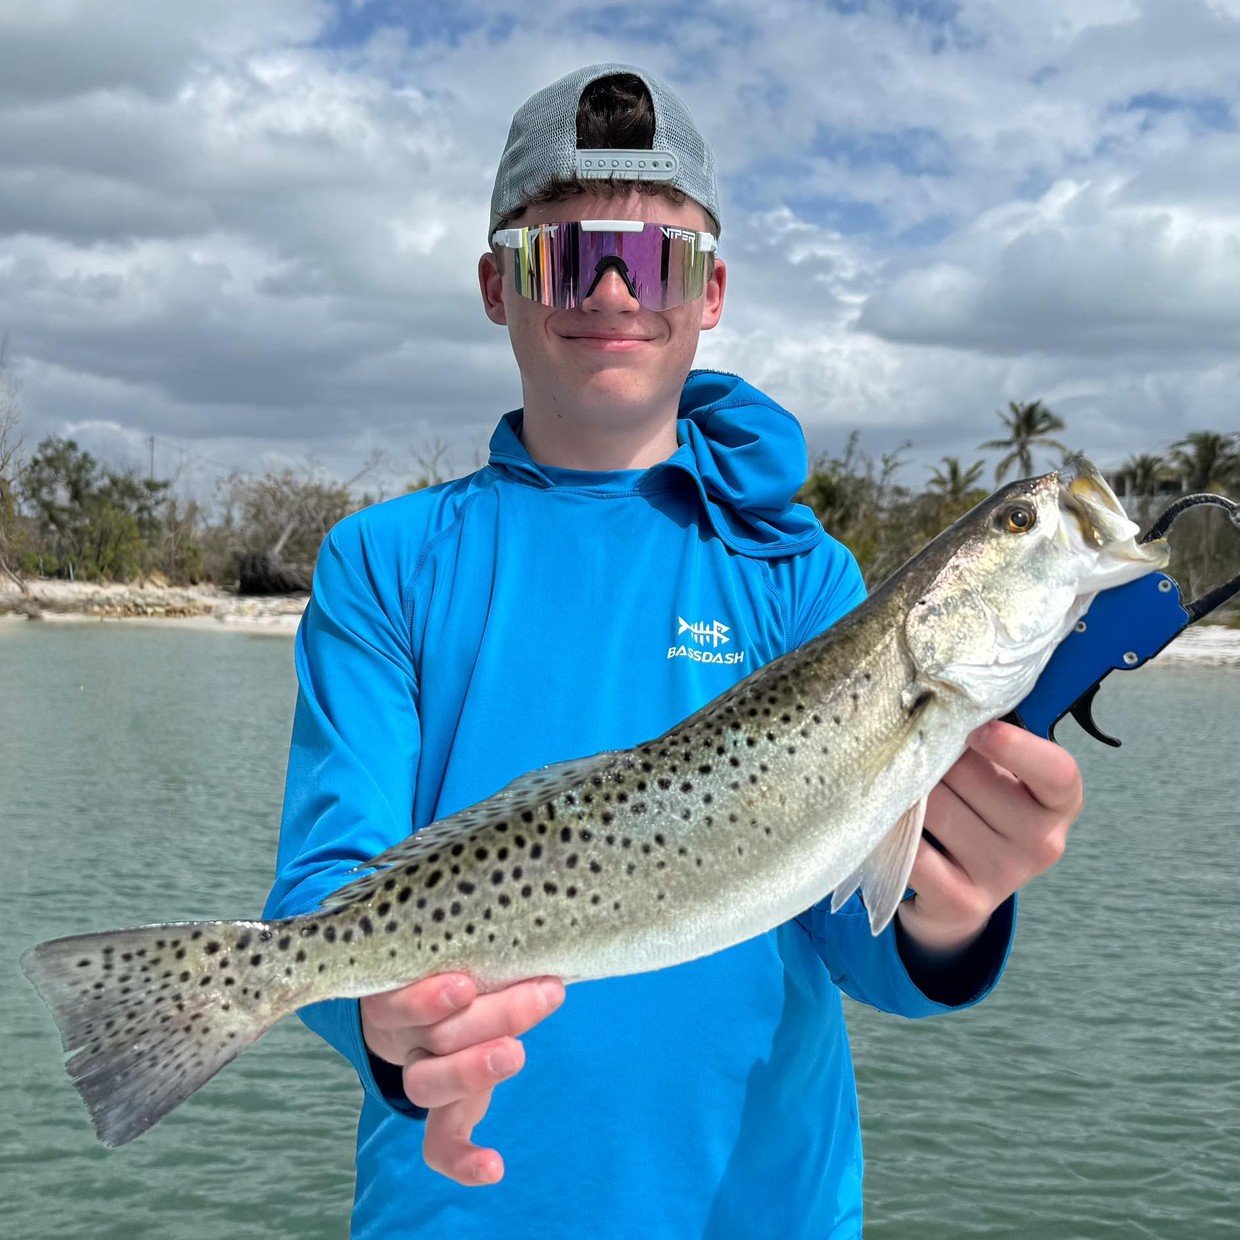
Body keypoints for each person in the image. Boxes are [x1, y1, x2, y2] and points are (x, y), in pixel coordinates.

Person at [265, 63, 1082, 1239]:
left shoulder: (803, 577)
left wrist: (949, 909)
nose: (609, 286)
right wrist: (391, 1031)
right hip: (453, 1212)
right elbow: (325, 890)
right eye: (565, 253)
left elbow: (857, 942)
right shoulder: (383, 562)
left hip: (762, 1209)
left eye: (654, 260)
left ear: (710, 293)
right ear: (497, 285)